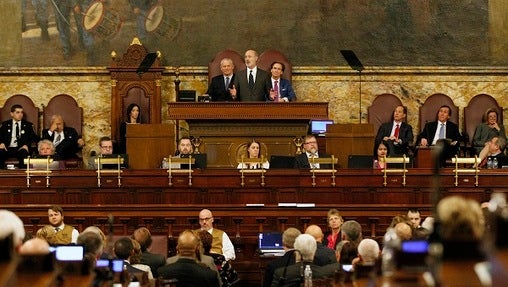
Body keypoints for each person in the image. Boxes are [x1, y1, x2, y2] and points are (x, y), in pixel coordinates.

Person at [0, 104, 39, 168]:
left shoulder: (28, 125)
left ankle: (23, 175)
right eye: (17, 112)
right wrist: (1, 143)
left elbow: (34, 138)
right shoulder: (4, 125)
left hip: (20, 149)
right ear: (11, 114)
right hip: (6, 149)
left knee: (24, 153)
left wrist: (27, 145)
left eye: (21, 112)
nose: (20, 114)